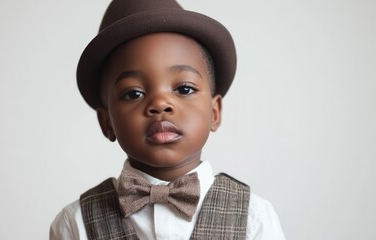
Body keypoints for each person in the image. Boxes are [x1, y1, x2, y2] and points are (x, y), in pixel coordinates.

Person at [50, 0, 286, 239]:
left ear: (214, 112)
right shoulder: (75, 224)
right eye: (134, 93)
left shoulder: (254, 218)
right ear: (107, 122)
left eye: (184, 89)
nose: (159, 104)